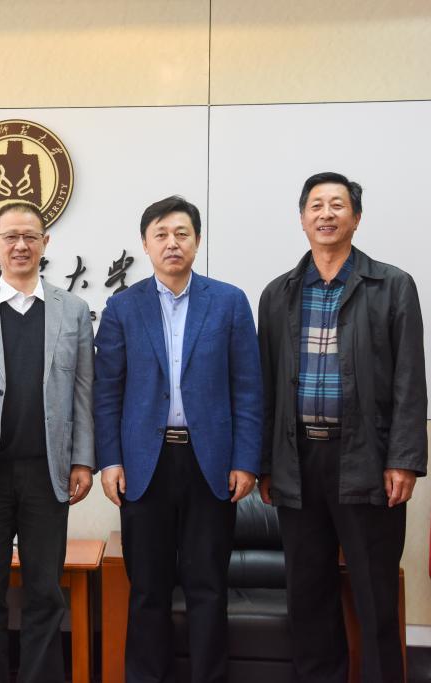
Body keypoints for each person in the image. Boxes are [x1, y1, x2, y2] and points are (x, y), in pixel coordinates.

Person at [257, 172, 427, 683]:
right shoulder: (278, 294)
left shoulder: (391, 286)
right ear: (302, 219)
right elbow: (265, 386)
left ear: (356, 217)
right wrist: (267, 464)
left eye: (337, 204)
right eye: (316, 205)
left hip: (366, 460)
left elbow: (409, 379)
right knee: (308, 594)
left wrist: (403, 460)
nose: (326, 214)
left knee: (375, 595)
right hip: (297, 462)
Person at [94, 195, 263, 682]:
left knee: (208, 586)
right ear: (145, 244)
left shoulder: (229, 302)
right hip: (144, 465)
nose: (172, 243)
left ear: (197, 241)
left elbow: (248, 388)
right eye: (161, 234)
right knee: (148, 589)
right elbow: (107, 391)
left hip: (211, 464)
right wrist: (111, 461)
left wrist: (246, 460)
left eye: (182, 233)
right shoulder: (123, 307)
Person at [0, 202, 95, 683]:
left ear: (46, 242)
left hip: (48, 473)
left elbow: (84, 391)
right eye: (10, 236)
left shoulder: (73, 311)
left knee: (45, 593)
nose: (20, 245)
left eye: (30, 236)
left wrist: (83, 460)